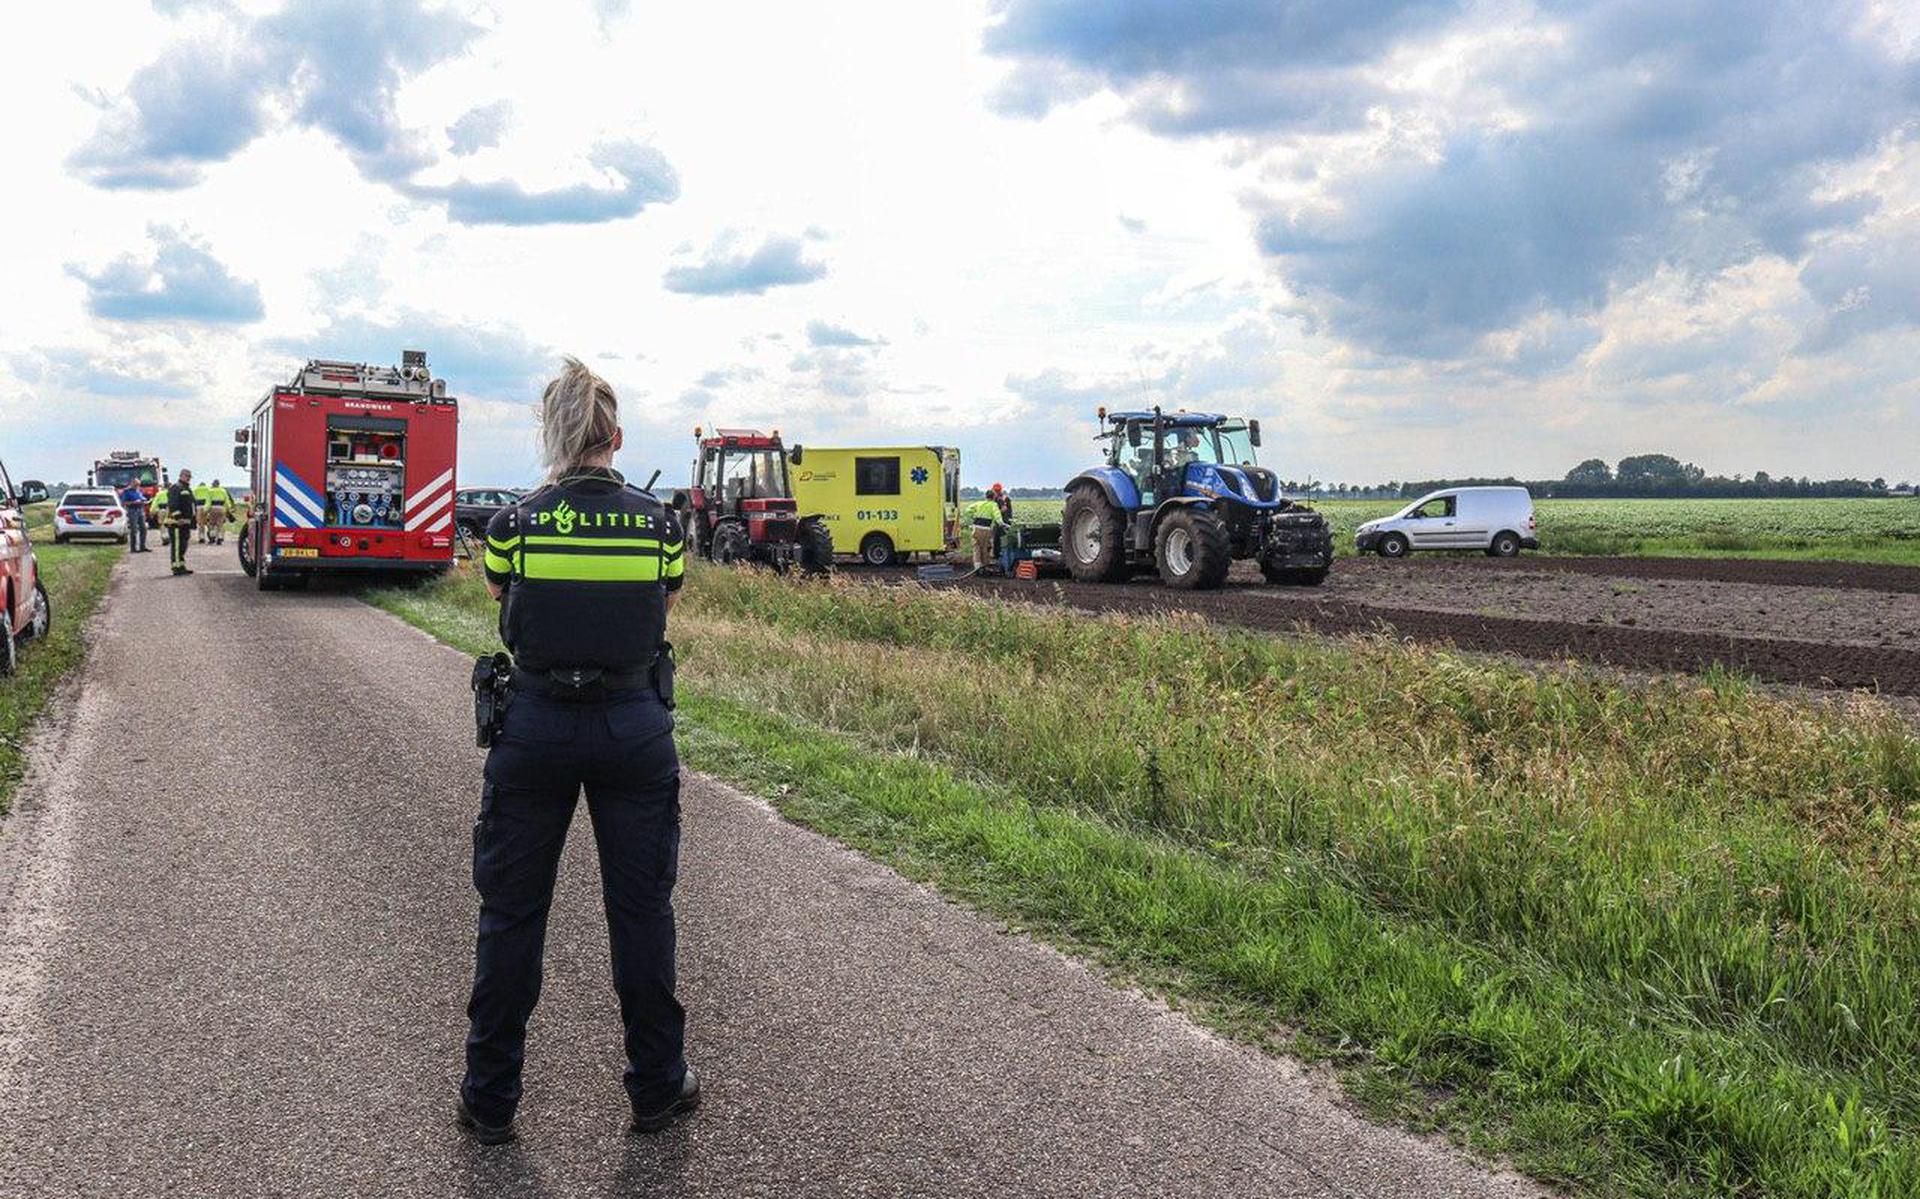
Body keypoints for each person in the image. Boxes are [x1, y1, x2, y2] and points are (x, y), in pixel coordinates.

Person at [458, 357, 694, 1146]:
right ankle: (657, 1089)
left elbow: (499, 594)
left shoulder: (514, 522)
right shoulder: (660, 523)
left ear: (552, 435)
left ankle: (490, 1100)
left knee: (513, 914)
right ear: (616, 436)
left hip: (535, 727)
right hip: (634, 727)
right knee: (640, 912)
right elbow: (662, 601)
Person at [164, 470, 197, 576]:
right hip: (176, 523)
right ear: (181, 476)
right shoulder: (176, 488)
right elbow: (173, 504)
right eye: (187, 476)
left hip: (185, 523)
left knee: (183, 545)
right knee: (177, 546)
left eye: (190, 477)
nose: (189, 478)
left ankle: (181, 565)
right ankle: (176, 567)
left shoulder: (186, 488)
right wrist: (178, 517)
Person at [967, 491, 1004, 574]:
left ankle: (977, 566)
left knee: (976, 546)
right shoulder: (993, 505)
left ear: (985, 496)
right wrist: (1001, 523)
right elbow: (997, 515)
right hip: (986, 529)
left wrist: (973, 515)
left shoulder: (979, 503)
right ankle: (984, 566)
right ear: (993, 497)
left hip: (976, 527)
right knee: (985, 548)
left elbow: (968, 510)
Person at [117, 481, 149, 553]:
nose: (137, 486)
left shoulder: (139, 490)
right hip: (132, 510)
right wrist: (134, 502)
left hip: (140, 510)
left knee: (144, 529)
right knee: (134, 530)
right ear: (131, 484)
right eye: (136, 485)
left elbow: (142, 497)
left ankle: (142, 547)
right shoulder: (127, 492)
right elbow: (123, 502)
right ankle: (133, 548)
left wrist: (144, 501)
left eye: (138, 485)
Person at [203, 479, 232, 545]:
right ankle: (219, 539)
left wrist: (205, 510)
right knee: (220, 525)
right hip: (221, 509)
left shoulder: (210, 491)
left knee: (212, 524)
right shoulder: (223, 491)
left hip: (213, 509)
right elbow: (227, 502)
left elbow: (208, 502)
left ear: (213, 484)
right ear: (219, 484)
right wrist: (228, 508)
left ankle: (212, 539)